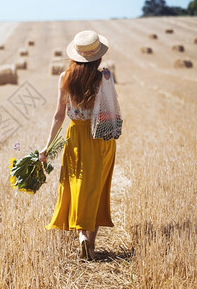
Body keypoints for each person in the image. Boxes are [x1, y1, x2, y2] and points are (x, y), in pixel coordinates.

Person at [39, 30, 117, 261]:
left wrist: (47, 147)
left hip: (75, 136)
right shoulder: (105, 77)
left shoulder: (64, 77)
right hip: (101, 137)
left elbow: (58, 116)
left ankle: (81, 234)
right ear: (98, 57)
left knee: (78, 185)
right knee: (96, 188)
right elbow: (110, 111)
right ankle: (90, 244)